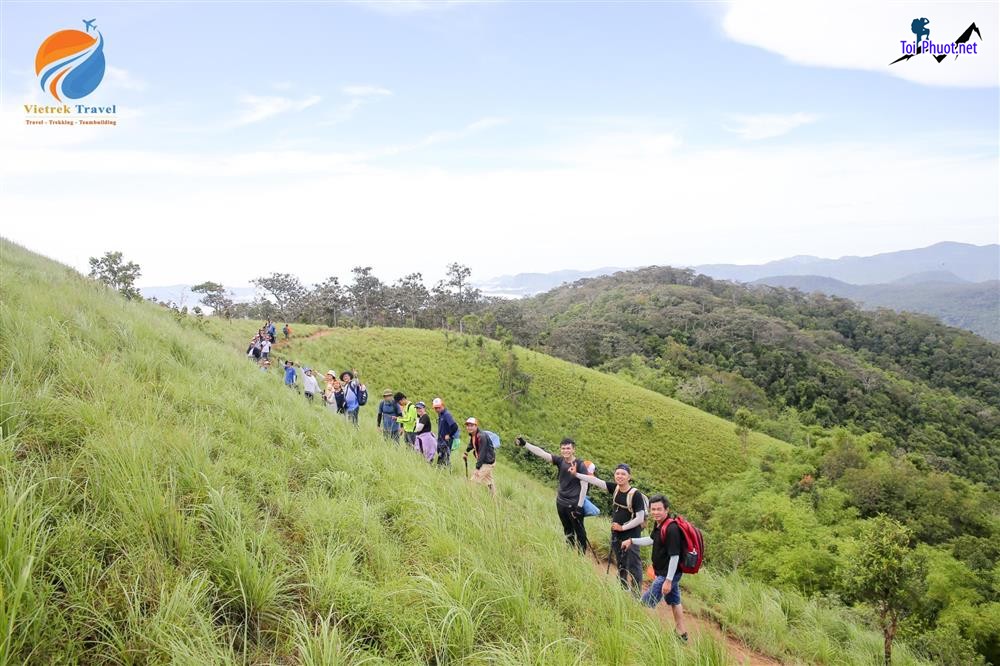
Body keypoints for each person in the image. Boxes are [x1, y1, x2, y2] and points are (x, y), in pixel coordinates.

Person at [621, 495, 689, 643]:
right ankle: (681, 634)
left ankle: (646, 635)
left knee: (645, 604)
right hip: (666, 573)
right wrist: (632, 540)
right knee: (675, 601)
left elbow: (675, 556)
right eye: (653, 509)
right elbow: (652, 540)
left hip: (667, 575)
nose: (656, 512)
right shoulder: (659, 525)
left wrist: (668, 580)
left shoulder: (671, 529)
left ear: (667, 510)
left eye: (659, 509)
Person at [575, 463, 646, 593]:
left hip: (631, 537)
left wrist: (622, 528)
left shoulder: (635, 495)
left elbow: (640, 518)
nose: (620, 476)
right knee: (620, 562)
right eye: (617, 473)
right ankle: (622, 588)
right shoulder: (615, 489)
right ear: (614, 475)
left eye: (623, 474)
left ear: (629, 477)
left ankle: (636, 594)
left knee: (634, 565)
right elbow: (595, 481)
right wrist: (576, 474)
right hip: (616, 534)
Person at [515, 436, 589, 554]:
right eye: (563, 448)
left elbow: (585, 485)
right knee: (567, 529)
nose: (565, 450)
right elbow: (542, 453)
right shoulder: (560, 461)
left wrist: (580, 506)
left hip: (574, 505)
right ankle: (569, 553)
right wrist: (525, 444)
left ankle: (581, 556)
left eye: (568, 448)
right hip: (561, 502)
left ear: (573, 449)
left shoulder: (580, 465)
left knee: (579, 531)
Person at [463, 417, 496, 496]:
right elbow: (472, 443)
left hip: (487, 462)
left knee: (473, 481)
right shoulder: (473, 434)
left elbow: (482, 453)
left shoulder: (482, 436)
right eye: (468, 425)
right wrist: (466, 451)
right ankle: (494, 498)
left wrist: (477, 468)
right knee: (489, 481)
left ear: (476, 426)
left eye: (471, 425)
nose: (469, 427)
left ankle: (470, 499)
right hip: (485, 461)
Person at [432, 398, 459, 467]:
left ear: (442, 405)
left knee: (443, 460)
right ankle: (446, 473)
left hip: (446, 442)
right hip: (441, 441)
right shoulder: (440, 414)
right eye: (435, 408)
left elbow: (455, 426)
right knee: (443, 460)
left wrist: (449, 435)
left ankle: (448, 474)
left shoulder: (447, 415)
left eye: (439, 407)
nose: (437, 409)